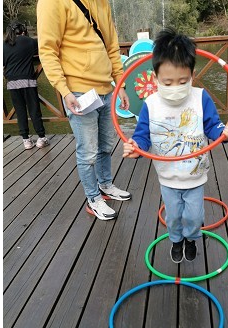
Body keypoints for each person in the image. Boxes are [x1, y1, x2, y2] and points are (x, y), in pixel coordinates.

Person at [123, 28, 228, 263]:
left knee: (194, 216)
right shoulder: (151, 103)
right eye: (167, 82)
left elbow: (213, 127)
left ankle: (191, 238)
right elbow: (142, 136)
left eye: (183, 81)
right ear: (155, 78)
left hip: (195, 175)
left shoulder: (200, 97)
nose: (175, 86)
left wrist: (224, 133)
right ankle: (176, 240)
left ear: (192, 75)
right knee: (174, 216)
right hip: (167, 176)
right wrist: (135, 147)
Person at [36, 0, 132, 220]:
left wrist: (120, 84)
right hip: (78, 92)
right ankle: (93, 198)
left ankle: (105, 185)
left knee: (106, 145)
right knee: (88, 152)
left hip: (106, 88)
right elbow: (48, 50)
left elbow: (112, 46)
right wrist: (64, 90)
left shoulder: (102, 2)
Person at [3, 21, 49, 150]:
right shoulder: (29, 41)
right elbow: (43, 49)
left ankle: (26, 140)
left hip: (12, 83)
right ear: (23, 31)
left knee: (20, 111)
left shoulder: (3, 45)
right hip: (28, 80)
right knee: (34, 110)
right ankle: (41, 138)